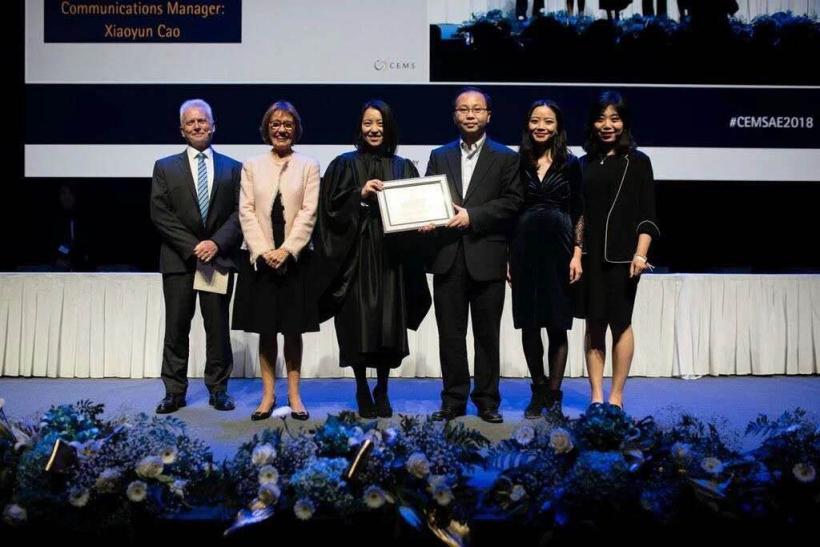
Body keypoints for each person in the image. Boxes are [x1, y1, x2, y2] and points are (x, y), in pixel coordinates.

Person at [314, 100, 431, 419]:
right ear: (359, 127)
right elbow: (328, 211)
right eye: (368, 123)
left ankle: (383, 387)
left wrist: (424, 222)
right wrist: (359, 195)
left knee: (387, 325)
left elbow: (416, 209)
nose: (374, 129)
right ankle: (361, 386)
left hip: (392, 259)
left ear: (389, 128)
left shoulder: (403, 167)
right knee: (357, 324)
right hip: (354, 258)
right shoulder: (343, 165)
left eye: (380, 123)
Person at [422, 87, 524, 423]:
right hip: (447, 257)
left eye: (477, 109)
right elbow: (429, 198)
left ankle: (487, 400)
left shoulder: (506, 157)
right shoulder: (439, 155)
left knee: (487, 335)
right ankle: (453, 400)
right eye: (463, 109)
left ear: (488, 116)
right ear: (454, 115)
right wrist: (426, 218)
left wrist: (473, 216)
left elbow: (513, 202)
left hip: (488, 257)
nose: (470, 114)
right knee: (450, 335)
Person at [150, 99, 242, 414]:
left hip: (217, 259)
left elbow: (240, 213)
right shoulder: (165, 167)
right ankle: (174, 392)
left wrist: (215, 243)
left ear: (213, 126)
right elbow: (160, 214)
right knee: (176, 328)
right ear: (182, 130)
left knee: (217, 329)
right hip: (179, 261)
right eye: (191, 122)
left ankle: (218, 390)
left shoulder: (233, 168)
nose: (197, 126)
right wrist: (194, 247)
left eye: (203, 120)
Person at [232, 101, 320, 421]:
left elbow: (309, 212)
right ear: (266, 129)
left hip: (296, 258)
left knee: (293, 331)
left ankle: (295, 396)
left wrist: (287, 250)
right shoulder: (251, 165)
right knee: (265, 330)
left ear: (296, 129)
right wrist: (264, 250)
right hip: (260, 260)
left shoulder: (309, 165)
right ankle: (267, 396)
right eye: (275, 124)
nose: (281, 129)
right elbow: (246, 211)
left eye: (287, 124)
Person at [575, 91, 659, 409]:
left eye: (614, 118)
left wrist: (641, 254)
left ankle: (616, 398)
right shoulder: (582, 163)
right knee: (593, 323)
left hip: (624, 257)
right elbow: (578, 215)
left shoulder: (638, 162)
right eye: (601, 119)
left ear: (624, 123)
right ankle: (597, 397)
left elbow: (648, 215)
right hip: (590, 256)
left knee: (620, 322)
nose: (607, 125)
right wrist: (576, 252)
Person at [509, 100, 583, 418]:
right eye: (535, 120)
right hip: (524, 250)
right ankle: (537, 390)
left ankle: (554, 396)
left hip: (560, 251)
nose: (541, 126)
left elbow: (580, 211)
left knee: (556, 324)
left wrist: (577, 253)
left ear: (557, 127)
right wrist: (507, 257)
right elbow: (510, 212)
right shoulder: (517, 163)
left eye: (548, 121)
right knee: (529, 324)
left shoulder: (571, 163)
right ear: (528, 125)